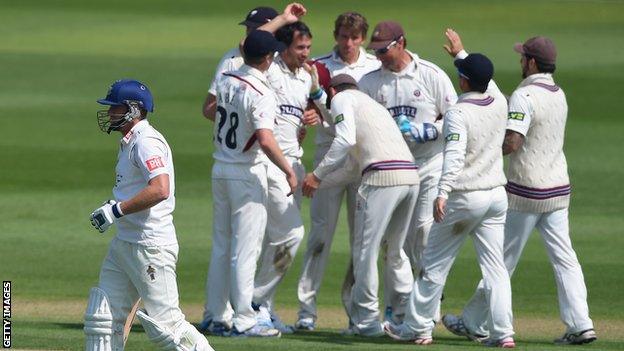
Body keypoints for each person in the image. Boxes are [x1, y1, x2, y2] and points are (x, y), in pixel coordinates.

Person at [440, 31, 597, 346]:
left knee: (501, 261)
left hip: (526, 191)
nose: (519, 61)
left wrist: (481, 149)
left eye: (522, 57)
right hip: (557, 189)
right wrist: (461, 55)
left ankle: (473, 321)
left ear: (532, 62)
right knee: (565, 258)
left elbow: (512, 142)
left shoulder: (525, 97)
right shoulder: (559, 93)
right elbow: (493, 89)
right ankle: (581, 323)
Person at [385, 47, 516, 347]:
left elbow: (454, 156)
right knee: (496, 268)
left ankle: (417, 329)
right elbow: (488, 80)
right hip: (496, 196)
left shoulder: (458, 112)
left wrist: (441, 193)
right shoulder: (497, 100)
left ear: (463, 82)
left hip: (465, 197)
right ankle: (503, 333)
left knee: (434, 264)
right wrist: (460, 52)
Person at [85, 79, 212, 350]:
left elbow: (160, 189)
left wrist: (116, 210)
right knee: (104, 319)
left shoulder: (146, 142)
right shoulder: (129, 142)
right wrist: (116, 205)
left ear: (132, 109)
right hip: (124, 243)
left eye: (114, 108)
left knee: (168, 327)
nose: (109, 113)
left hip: (150, 246)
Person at [302, 74, 420, 337]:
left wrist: (317, 174)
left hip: (382, 178)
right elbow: (351, 170)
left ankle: (366, 323)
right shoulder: (370, 106)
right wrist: (315, 183)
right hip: (411, 177)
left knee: (365, 253)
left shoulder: (343, 98)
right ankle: (408, 318)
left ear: (334, 91)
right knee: (395, 250)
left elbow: (342, 140)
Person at [358, 20, 457, 325]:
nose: (379, 57)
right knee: (392, 243)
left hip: (428, 166)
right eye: (374, 51)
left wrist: (430, 130)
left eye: (383, 50)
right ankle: (398, 308)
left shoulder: (430, 75)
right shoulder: (370, 82)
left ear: (400, 43)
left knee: (425, 235)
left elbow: (456, 118)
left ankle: (429, 307)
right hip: (392, 170)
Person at [202, 29, 298, 337]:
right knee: (245, 249)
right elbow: (267, 140)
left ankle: (217, 315)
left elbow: (211, 109)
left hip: (220, 168)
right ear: (269, 58)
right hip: (246, 173)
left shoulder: (228, 77)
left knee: (222, 246)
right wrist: (288, 170)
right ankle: (244, 319)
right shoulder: (261, 91)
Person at [295, 11, 380, 331]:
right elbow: (302, 103)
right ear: (336, 35)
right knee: (320, 236)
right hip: (328, 155)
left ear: (363, 38)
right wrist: (309, 115)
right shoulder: (318, 66)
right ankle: (306, 312)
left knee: (363, 240)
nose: (348, 43)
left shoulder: (373, 66)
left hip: (363, 160)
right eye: (343, 36)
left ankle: (359, 315)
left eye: (354, 38)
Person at [251, 20, 319, 334]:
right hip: (271, 165)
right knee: (291, 235)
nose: (306, 54)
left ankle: (264, 308)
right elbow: (251, 43)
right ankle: (254, 302)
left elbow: (307, 118)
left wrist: (314, 111)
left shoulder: (305, 77)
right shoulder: (270, 71)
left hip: (294, 163)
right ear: (283, 48)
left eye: (308, 47)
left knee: (272, 239)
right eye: (300, 48)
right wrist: (283, 16)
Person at [201, 6, 278, 120]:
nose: (249, 32)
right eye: (248, 28)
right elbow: (209, 108)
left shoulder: (285, 56)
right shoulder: (232, 58)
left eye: (255, 28)